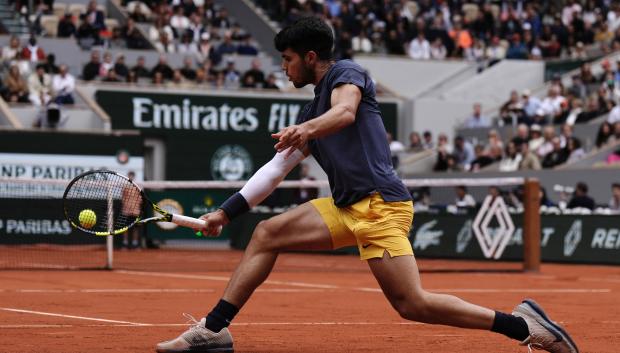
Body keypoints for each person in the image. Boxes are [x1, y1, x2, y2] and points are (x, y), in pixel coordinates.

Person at [155, 17, 578, 353]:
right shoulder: (311, 108)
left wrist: (306, 130)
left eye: (287, 59)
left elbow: (345, 114)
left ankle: (524, 326)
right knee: (266, 233)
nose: (283, 67)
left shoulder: (346, 73)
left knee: (412, 305)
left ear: (310, 56)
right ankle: (213, 330)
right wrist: (225, 213)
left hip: (380, 207)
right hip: (345, 208)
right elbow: (273, 170)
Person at [121, 171, 142, 249]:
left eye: (132, 176)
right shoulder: (125, 186)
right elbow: (123, 198)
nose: (131, 177)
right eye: (129, 176)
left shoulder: (138, 186)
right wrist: (126, 206)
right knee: (125, 228)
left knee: (136, 228)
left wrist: (136, 207)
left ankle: (135, 243)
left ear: (134, 176)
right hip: (126, 211)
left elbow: (140, 199)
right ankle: (125, 243)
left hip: (136, 211)